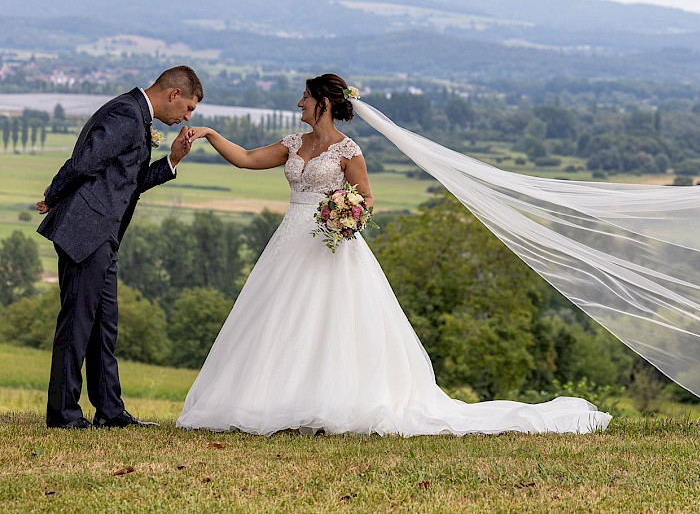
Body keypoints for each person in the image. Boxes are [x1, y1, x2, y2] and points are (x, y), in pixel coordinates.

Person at [176, 74, 611, 436]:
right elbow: (249, 159)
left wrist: (342, 216)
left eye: (305, 98)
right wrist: (211, 134)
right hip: (290, 240)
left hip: (331, 245)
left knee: (331, 322)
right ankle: (273, 401)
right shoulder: (293, 143)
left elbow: (365, 200)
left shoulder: (349, 152)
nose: (298, 103)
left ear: (323, 103)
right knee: (278, 320)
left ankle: (328, 402)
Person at [37, 65, 202, 429]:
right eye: (188, 108)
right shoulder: (127, 114)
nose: (188, 117)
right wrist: (53, 193)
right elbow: (84, 163)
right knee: (78, 324)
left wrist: (172, 160)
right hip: (86, 230)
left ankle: (110, 412)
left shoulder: (136, 117)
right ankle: (63, 415)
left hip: (103, 236)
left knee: (103, 326)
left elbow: (130, 181)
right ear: (174, 94)